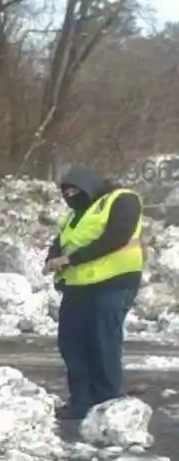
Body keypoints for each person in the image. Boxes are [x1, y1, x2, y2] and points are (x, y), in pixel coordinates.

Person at [46, 165, 144, 422]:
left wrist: (71, 259)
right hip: (78, 288)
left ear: (88, 185)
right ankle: (81, 401)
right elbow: (61, 241)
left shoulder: (123, 200)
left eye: (74, 191)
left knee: (102, 343)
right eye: (65, 193)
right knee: (72, 344)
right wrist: (52, 257)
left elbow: (116, 237)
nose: (69, 197)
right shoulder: (76, 213)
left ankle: (107, 402)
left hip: (113, 283)